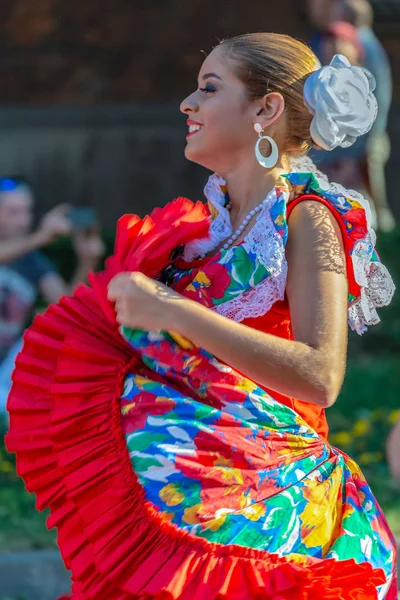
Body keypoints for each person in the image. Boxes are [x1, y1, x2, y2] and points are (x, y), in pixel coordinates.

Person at [6, 34, 398, 599]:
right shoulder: (198, 234)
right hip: (187, 499)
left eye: (209, 89)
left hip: (268, 506)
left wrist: (174, 310)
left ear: (265, 109)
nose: (187, 104)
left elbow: (321, 375)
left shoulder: (309, 217)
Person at [0, 176, 104, 412]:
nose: (23, 221)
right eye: (13, 212)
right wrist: (40, 237)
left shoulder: (34, 262)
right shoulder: (30, 246)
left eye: (26, 212)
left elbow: (66, 308)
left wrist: (87, 259)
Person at [308, 0, 396, 231]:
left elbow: (375, 107)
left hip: (357, 153)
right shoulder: (333, 41)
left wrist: (352, 156)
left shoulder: (361, 48)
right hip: (337, 155)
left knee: (362, 213)